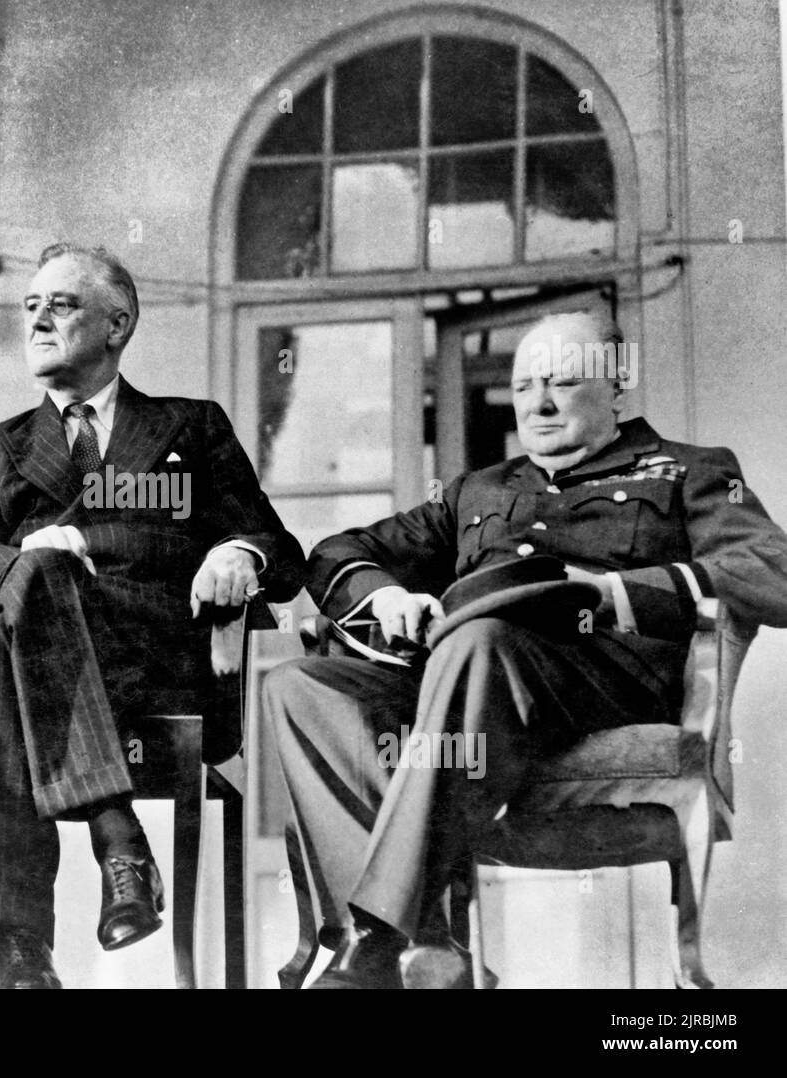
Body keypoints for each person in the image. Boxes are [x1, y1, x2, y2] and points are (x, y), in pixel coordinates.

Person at [263, 309, 787, 989]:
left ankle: (379, 941)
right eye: (524, 386)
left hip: (602, 684)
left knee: (478, 636)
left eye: (564, 384)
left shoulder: (689, 471)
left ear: (618, 383)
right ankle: (430, 942)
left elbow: (772, 569)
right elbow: (339, 553)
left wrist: (617, 594)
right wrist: (390, 599)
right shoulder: (478, 491)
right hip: (473, 694)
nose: (538, 404)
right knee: (302, 686)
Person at [0, 242, 304, 988]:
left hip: (151, 648)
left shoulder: (189, 428)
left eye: (60, 305)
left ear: (117, 323)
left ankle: (18, 947)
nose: (36, 319)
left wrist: (238, 553)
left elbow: (281, 553)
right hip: (31, 639)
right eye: (30, 305)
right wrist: (42, 564)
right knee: (18, 606)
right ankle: (119, 837)